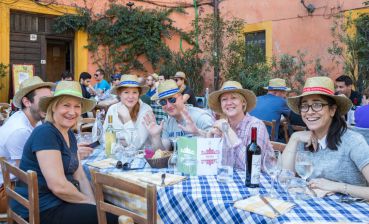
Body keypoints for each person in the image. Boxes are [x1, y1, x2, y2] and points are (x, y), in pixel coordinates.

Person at [12, 81, 117, 224]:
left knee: (114, 211)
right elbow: (58, 186)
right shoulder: (45, 133)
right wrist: (90, 205)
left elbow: (80, 176)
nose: (72, 112)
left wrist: (92, 204)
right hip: (40, 209)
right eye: (66, 105)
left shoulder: (69, 134)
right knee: (115, 219)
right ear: (53, 107)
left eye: (77, 106)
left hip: (58, 202)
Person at [282, 76, 369, 200]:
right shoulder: (304, 140)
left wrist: (337, 186)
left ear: (332, 110)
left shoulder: (353, 141)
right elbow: (284, 178)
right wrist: (294, 138)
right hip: (315, 210)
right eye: (304, 106)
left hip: (351, 215)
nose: (309, 112)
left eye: (317, 105)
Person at [0, 76, 54, 213]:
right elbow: (25, 174)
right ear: (26, 101)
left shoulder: (34, 120)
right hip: (8, 190)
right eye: (43, 101)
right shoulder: (20, 130)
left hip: (17, 183)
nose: (49, 105)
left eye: (50, 100)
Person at [206, 81, 274, 170]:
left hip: (262, 181)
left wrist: (228, 131)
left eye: (233, 98)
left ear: (243, 103)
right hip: (231, 179)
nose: (229, 103)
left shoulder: (256, 126)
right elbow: (214, 162)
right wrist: (209, 136)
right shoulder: (222, 125)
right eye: (224, 99)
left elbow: (252, 166)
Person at [144, 80, 214, 151]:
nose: (168, 105)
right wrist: (155, 136)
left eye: (172, 99)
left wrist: (197, 132)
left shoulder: (201, 117)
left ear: (181, 97)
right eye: (163, 102)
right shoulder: (167, 122)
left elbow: (216, 142)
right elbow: (163, 151)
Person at [103, 75, 154, 150]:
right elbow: (105, 137)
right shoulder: (112, 109)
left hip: (141, 158)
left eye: (134, 92)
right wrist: (117, 148)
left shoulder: (146, 110)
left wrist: (127, 119)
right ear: (119, 94)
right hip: (117, 155)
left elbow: (137, 145)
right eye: (126, 92)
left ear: (139, 94)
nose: (131, 96)